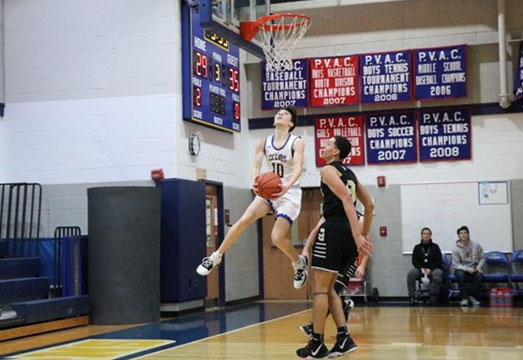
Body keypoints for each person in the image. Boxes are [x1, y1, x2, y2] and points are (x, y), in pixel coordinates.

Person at [196, 106, 309, 289]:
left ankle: (298, 263)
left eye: (285, 114)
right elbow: (256, 165)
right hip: (270, 192)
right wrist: (255, 182)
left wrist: (287, 185)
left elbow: (297, 168)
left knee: (277, 238)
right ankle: (215, 256)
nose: (280, 114)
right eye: (278, 112)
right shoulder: (263, 143)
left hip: (290, 193)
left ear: (291, 123)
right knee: (243, 221)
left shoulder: (297, 142)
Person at [296, 136, 373, 359]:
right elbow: (369, 205)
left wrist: (360, 236)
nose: (324, 146)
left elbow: (348, 201)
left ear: (336, 152)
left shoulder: (328, 170)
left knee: (320, 289)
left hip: (334, 230)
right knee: (330, 290)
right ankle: (343, 338)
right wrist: (361, 235)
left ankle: (317, 344)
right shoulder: (350, 174)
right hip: (348, 232)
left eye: (329, 144)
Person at [299, 214, 372, 346]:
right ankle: (343, 308)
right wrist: (305, 249)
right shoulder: (330, 214)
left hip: (349, 260)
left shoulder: (359, 219)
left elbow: (367, 243)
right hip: (335, 258)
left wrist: (362, 265)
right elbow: (315, 231)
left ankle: (316, 328)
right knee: (329, 292)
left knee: (332, 290)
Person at [407, 227, 444, 306]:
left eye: (428, 234)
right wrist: (421, 269)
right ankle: (412, 296)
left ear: (431, 236)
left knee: (438, 273)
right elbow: (414, 261)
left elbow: (438, 260)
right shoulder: (417, 247)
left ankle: (433, 298)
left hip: (433, 269)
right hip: (420, 269)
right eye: (424, 234)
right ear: (421, 236)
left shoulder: (435, 247)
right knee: (411, 273)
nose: (426, 235)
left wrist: (430, 269)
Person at [452, 225, 485, 307]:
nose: (463, 235)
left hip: (474, 268)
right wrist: (467, 269)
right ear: (458, 236)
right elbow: (456, 264)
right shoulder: (455, 248)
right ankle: (464, 298)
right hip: (462, 268)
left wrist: (478, 267)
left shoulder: (476, 245)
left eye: (465, 233)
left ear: (468, 234)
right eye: (461, 233)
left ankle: (471, 296)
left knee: (479, 275)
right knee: (460, 274)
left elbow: (483, 258)